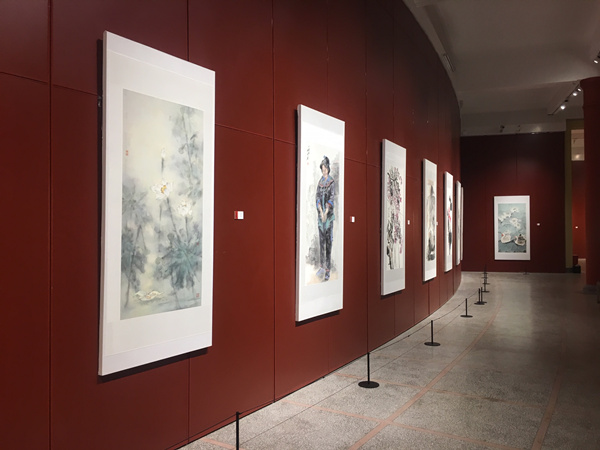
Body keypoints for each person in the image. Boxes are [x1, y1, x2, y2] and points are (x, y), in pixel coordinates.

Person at [316, 156, 335, 281]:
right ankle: (322, 267)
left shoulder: (331, 182)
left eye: (325, 169)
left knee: (328, 243)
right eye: (322, 169)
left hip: (328, 218)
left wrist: (326, 212)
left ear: (328, 169)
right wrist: (321, 211)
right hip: (321, 217)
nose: (324, 171)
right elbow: (317, 198)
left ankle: (328, 270)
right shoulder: (320, 182)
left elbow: (331, 198)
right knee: (321, 242)